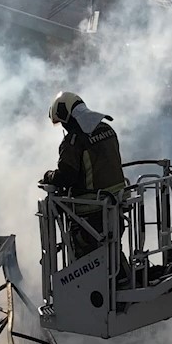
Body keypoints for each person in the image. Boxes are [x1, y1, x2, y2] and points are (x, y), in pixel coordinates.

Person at [42, 90, 126, 262]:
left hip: (90, 219)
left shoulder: (74, 140)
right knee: (112, 257)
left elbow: (65, 176)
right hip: (115, 210)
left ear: (66, 116)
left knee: (87, 268)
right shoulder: (106, 129)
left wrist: (49, 176)